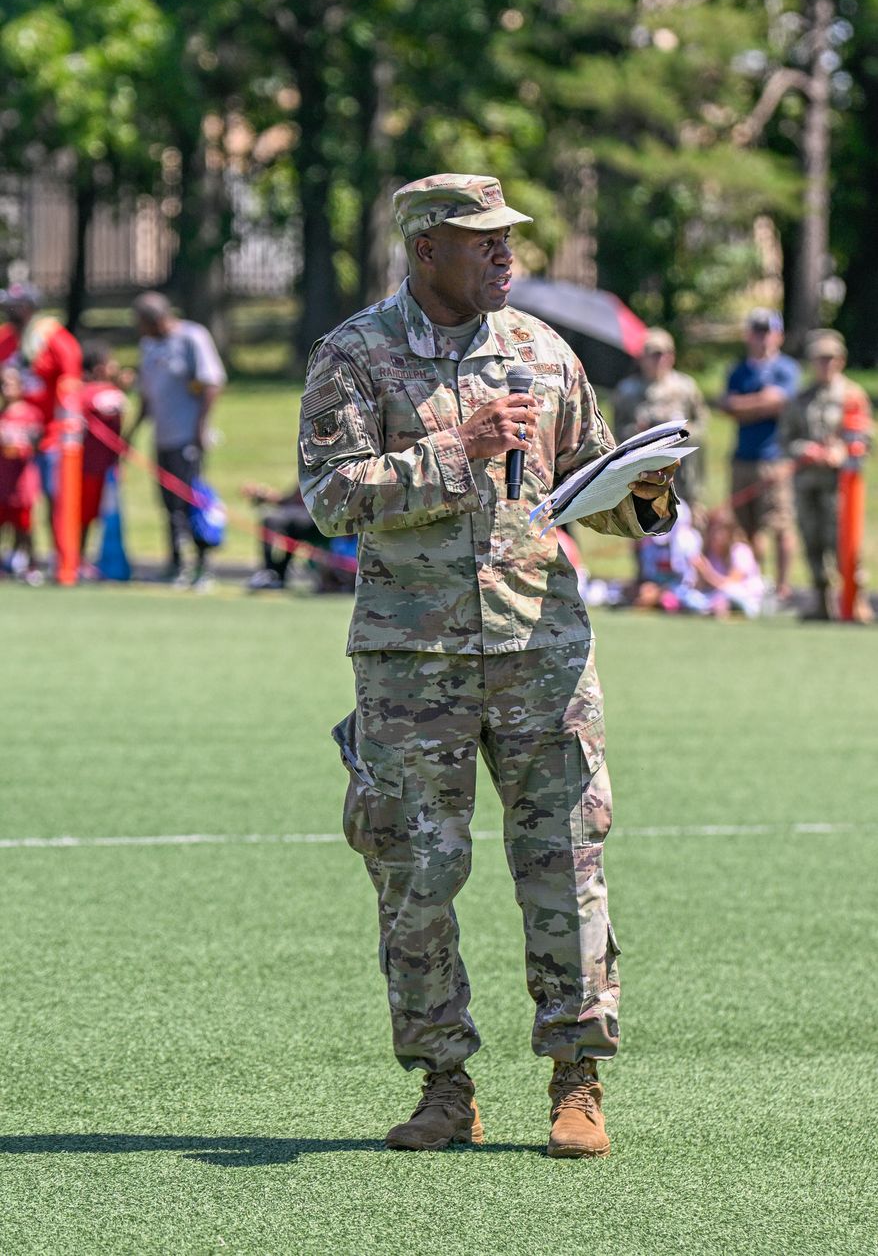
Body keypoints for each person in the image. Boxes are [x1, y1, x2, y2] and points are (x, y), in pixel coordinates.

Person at [297, 173, 679, 1159]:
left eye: (510, 239)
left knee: (565, 864)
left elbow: (586, 476)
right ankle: (443, 1084)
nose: (506, 255)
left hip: (538, 651)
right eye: (483, 243)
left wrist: (641, 497)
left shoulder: (543, 351)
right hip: (408, 663)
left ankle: (576, 1079)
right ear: (426, 251)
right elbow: (331, 499)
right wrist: (450, 453)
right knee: (414, 872)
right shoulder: (353, 357)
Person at [127, 292, 226, 589]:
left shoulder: (192, 337)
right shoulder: (148, 346)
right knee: (168, 505)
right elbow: (147, 395)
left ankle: (202, 567)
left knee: (191, 501)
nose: (139, 329)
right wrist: (131, 434)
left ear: (156, 319)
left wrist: (200, 425)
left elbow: (212, 383)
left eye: (142, 323)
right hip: (163, 437)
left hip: (187, 437)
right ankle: (175, 564)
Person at [781, 330, 874, 621]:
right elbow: (785, 440)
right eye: (820, 359)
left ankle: (854, 602)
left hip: (840, 485)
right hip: (808, 482)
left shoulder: (852, 395)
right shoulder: (800, 399)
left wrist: (843, 453)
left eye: (831, 358)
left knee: (844, 544)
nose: (826, 364)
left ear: (841, 360)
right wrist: (804, 449)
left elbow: (865, 437)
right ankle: (821, 602)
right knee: (812, 541)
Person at [717, 308, 799, 601]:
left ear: (778, 335)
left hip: (774, 458)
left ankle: (784, 586)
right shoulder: (738, 370)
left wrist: (745, 406)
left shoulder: (786, 368)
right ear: (748, 335)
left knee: (779, 524)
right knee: (746, 526)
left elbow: (780, 402)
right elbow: (727, 406)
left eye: (768, 332)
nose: (762, 338)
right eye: (757, 332)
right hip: (743, 457)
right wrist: (761, 403)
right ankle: (755, 583)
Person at [0, 281, 82, 565]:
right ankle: (22, 559)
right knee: (13, 500)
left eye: (14, 305)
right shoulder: (4, 339)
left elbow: (71, 384)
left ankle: (64, 562)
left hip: (50, 436)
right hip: (13, 436)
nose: (9, 311)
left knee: (55, 498)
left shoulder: (53, 337)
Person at [613, 327, 707, 504]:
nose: (661, 359)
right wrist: (637, 431)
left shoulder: (685, 387)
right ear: (642, 357)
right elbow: (616, 432)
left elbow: (701, 423)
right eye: (654, 354)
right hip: (644, 471)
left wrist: (685, 432)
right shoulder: (627, 391)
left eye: (666, 353)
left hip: (682, 469)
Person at [79, 342, 129, 558]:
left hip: (107, 467)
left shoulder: (110, 392)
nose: (115, 366)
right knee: (85, 515)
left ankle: (101, 559)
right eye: (111, 363)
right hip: (88, 468)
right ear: (100, 368)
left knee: (103, 516)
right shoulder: (94, 393)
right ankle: (80, 558)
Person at [241, 481, 326, 591]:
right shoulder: (307, 470)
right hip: (295, 514)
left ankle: (277, 574)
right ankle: (270, 572)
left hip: (317, 517)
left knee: (296, 524)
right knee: (270, 520)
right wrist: (263, 495)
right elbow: (291, 500)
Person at [0, 365, 43, 582]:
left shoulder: (30, 414)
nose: (6, 388)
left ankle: (31, 565)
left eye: (10, 384)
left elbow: (36, 442)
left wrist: (18, 443)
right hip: (2, 481)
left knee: (25, 526)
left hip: (22, 481)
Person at [691, 508, 764, 618]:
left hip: (747, 598)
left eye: (720, 531)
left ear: (730, 532)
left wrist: (706, 572)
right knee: (692, 596)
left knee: (729, 591)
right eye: (712, 530)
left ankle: (723, 608)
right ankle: (718, 607)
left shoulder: (741, 551)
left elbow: (731, 583)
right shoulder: (709, 553)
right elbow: (700, 587)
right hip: (717, 595)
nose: (715, 535)